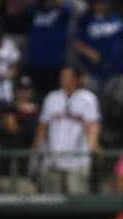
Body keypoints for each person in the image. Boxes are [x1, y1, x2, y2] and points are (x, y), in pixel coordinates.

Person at [32, 66, 101, 194]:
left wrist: (93, 145)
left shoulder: (88, 99)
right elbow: (43, 125)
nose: (64, 79)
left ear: (76, 79)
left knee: (78, 200)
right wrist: (37, 145)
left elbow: (92, 125)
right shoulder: (52, 98)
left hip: (78, 159)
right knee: (51, 201)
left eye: (68, 77)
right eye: (62, 76)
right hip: (52, 157)